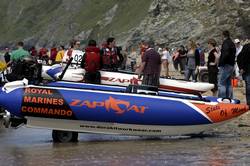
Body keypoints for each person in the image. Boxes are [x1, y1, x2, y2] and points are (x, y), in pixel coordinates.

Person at [218, 30, 236, 98]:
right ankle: (229, 98)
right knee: (228, 83)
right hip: (231, 64)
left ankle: (222, 98)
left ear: (223, 35)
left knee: (222, 83)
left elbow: (225, 54)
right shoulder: (232, 43)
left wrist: (221, 63)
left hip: (226, 65)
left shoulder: (226, 43)